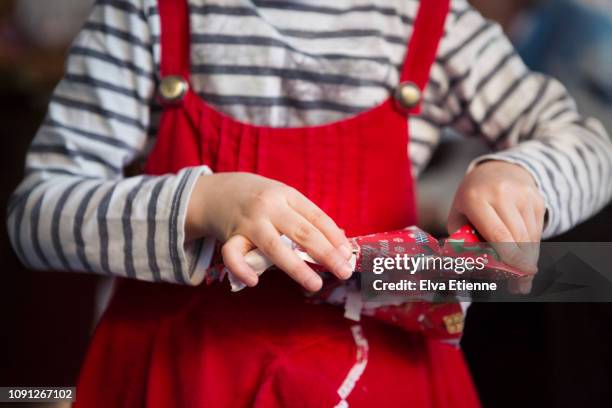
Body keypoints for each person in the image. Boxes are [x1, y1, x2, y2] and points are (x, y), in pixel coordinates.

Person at [6, 0, 612, 406]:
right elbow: (35, 216)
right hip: (172, 380)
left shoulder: (434, 22)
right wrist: (201, 200)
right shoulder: (145, 15)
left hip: (387, 383)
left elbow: (592, 144)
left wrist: (520, 171)